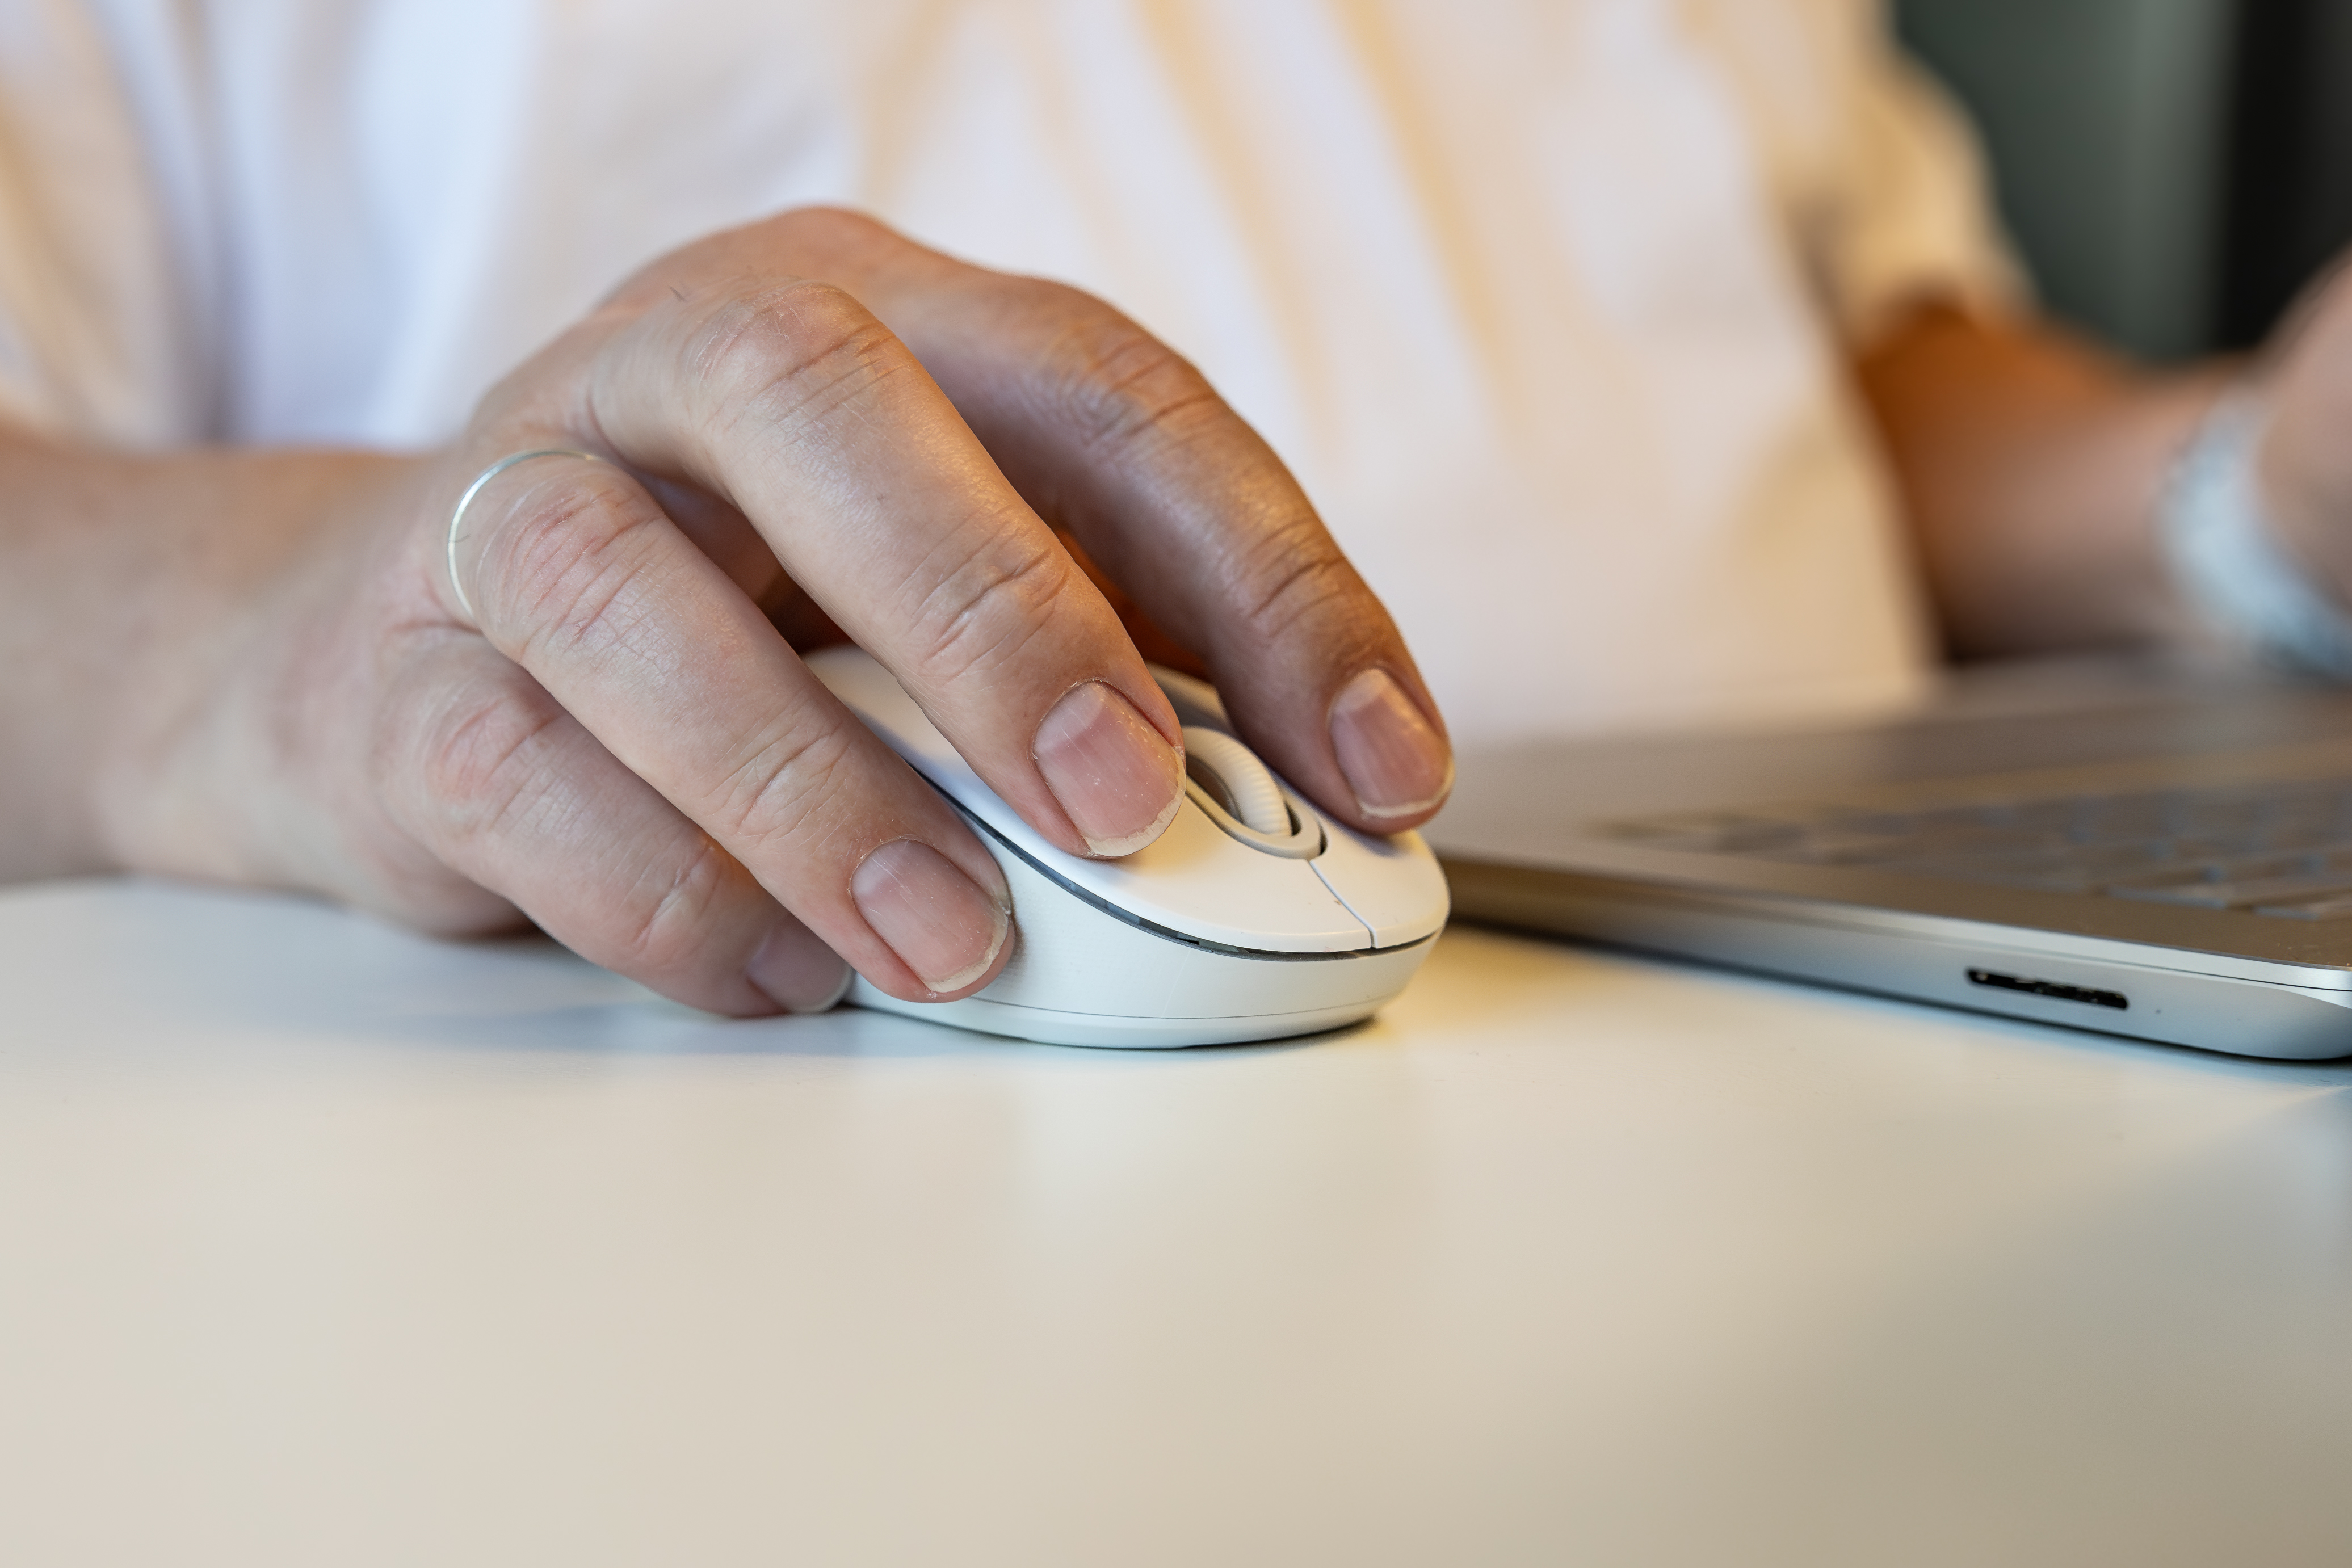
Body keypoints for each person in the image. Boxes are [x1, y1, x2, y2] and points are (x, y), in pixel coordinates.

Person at [4, 1, 2349, 1019]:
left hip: (1925, 1029)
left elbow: (1836, 355)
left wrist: (2238, 493)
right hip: (744, 1205)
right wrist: (250, 641)